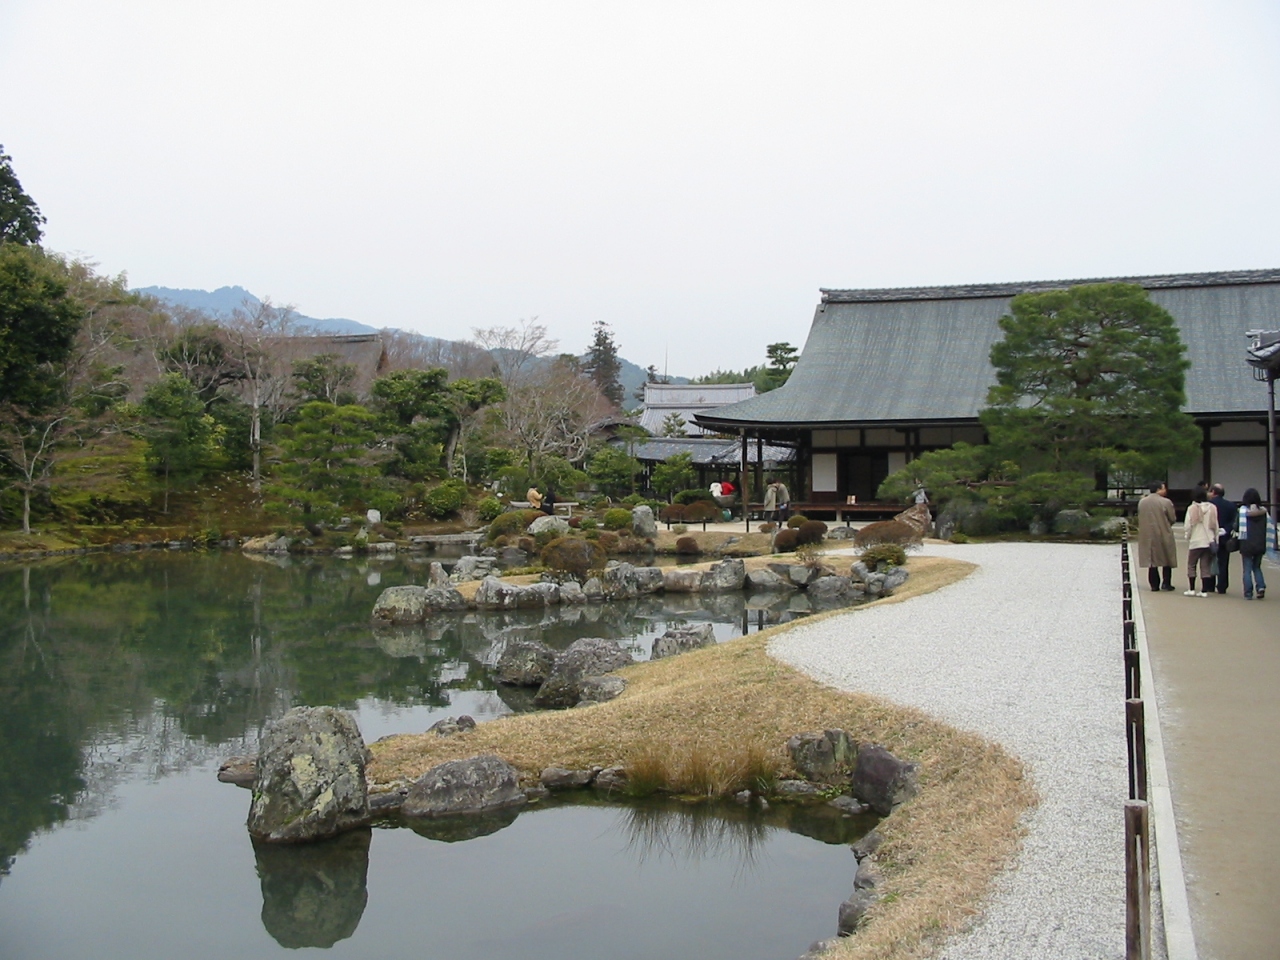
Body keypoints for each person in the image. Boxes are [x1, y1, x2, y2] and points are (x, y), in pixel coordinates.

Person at [1137, 481, 1177, 591]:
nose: (1165, 490)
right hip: (1163, 532)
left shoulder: (1142, 502)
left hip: (1147, 534)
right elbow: (1172, 518)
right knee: (1167, 558)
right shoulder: (1166, 502)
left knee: (1152, 561)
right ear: (1159, 489)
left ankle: (1154, 585)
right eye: (1163, 488)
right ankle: (1166, 583)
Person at [1183, 489, 1219, 597]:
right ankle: (1204, 590)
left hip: (1195, 540)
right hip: (1208, 540)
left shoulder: (1191, 508)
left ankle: (1192, 588)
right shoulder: (1212, 508)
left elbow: (1188, 526)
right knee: (1205, 566)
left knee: (1191, 564)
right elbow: (1215, 525)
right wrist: (1215, 539)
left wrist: (1187, 536)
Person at [1238, 487, 1268, 600]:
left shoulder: (1242, 512)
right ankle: (1260, 587)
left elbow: (1236, 527)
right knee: (1257, 567)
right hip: (1260, 543)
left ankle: (1248, 593)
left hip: (1246, 544)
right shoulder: (1264, 512)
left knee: (1247, 569)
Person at [1208, 482, 1237, 594]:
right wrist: (1226, 529)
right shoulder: (1230, 505)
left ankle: (1209, 584)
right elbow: (1233, 521)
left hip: (1210, 536)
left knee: (1210, 560)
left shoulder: (1208, 504)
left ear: (1213, 492)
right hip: (1225, 536)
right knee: (1223, 562)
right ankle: (1222, 586)